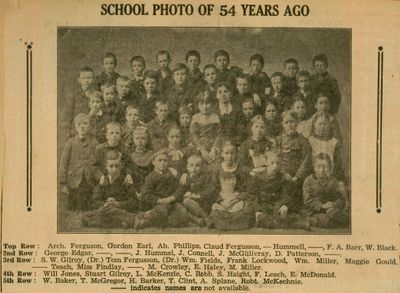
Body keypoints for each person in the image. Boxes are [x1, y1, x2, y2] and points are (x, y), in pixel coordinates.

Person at [249, 151, 310, 230]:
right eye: (272, 163)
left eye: (278, 163)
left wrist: (284, 205)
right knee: (262, 218)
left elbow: (287, 194)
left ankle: (275, 221)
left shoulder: (283, 178)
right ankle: (296, 223)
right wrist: (257, 210)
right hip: (263, 207)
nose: (275, 166)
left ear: (281, 165)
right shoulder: (257, 177)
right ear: (266, 162)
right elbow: (252, 196)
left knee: (284, 214)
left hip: (277, 206)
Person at [81, 150, 138, 228]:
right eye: (111, 166)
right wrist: (104, 203)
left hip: (120, 210)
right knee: (85, 216)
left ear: (121, 166)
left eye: (117, 166)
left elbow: (134, 202)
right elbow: (94, 200)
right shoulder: (103, 180)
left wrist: (118, 204)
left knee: (102, 213)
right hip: (107, 210)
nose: (114, 169)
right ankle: (121, 224)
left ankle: (101, 222)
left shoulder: (126, 180)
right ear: (106, 166)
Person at [135, 150, 190, 229]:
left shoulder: (170, 175)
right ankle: (143, 216)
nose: (163, 163)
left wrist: (171, 198)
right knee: (162, 211)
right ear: (153, 162)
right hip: (155, 205)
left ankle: (151, 222)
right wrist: (159, 200)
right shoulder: (150, 177)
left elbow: (180, 189)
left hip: (169, 202)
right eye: (160, 160)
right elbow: (145, 195)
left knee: (184, 215)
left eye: (165, 160)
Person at [208, 141, 254, 230]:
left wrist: (236, 198)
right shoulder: (217, 169)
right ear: (222, 154)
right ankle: (226, 222)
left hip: (235, 199)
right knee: (215, 212)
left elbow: (246, 189)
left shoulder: (240, 169)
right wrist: (221, 200)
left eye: (232, 153)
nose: (229, 156)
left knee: (246, 211)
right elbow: (213, 188)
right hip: (222, 199)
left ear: (236, 154)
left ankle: (230, 222)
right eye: (226, 153)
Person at [59, 113, 99, 211]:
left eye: (85, 124)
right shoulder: (70, 142)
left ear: (89, 126)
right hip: (73, 178)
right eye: (79, 124)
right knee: (72, 206)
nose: (82, 127)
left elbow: (99, 161)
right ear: (75, 127)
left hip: (88, 178)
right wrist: (62, 182)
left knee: (86, 204)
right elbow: (64, 163)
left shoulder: (94, 142)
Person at [275, 110, 312, 209]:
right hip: (283, 175)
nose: (290, 125)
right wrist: (283, 173)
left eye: (292, 121)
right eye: (286, 122)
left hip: (298, 177)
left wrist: (297, 177)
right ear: (282, 124)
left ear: (297, 122)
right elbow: (275, 159)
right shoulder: (279, 140)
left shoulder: (303, 141)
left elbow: (306, 161)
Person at [303, 153, 349, 228]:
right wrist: (323, 206)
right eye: (318, 167)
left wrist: (334, 204)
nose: (322, 170)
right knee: (330, 223)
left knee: (344, 219)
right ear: (314, 167)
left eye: (325, 167)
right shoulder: (308, 181)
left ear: (330, 167)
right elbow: (308, 201)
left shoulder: (333, 180)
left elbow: (340, 198)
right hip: (314, 212)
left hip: (331, 210)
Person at [178, 154, 216, 226]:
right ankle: (197, 220)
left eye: (197, 165)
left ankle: (206, 217)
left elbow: (209, 190)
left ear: (202, 167)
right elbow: (181, 190)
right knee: (180, 206)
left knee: (186, 201)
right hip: (189, 205)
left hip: (202, 202)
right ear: (187, 167)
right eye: (191, 165)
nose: (194, 168)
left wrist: (195, 195)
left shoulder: (205, 177)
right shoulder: (186, 177)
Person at [308, 112, 345, 181]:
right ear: (315, 125)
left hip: (330, 176)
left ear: (329, 125)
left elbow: (337, 163)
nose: (322, 126)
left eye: (325, 124)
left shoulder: (333, 142)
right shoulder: (310, 141)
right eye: (320, 124)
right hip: (314, 176)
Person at [190, 92, 221, 164]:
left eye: (207, 103)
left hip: (213, 145)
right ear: (198, 105)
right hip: (199, 146)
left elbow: (218, 135)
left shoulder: (215, 117)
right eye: (201, 104)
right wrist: (201, 149)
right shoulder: (196, 118)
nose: (205, 107)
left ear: (212, 104)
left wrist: (214, 149)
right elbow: (194, 135)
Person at [64, 66, 95, 133]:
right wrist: (68, 131)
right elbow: (69, 115)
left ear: (93, 79)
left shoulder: (97, 94)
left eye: (89, 78)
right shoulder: (74, 95)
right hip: (78, 128)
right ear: (79, 80)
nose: (87, 80)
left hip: (92, 128)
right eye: (84, 78)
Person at [129, 126, 153, 192]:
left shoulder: (151, 154)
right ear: (133, 139)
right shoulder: (130, 155)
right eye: (137, 138)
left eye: (143, 138)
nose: (140, 141)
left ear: (147, 140)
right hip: (135, 183)